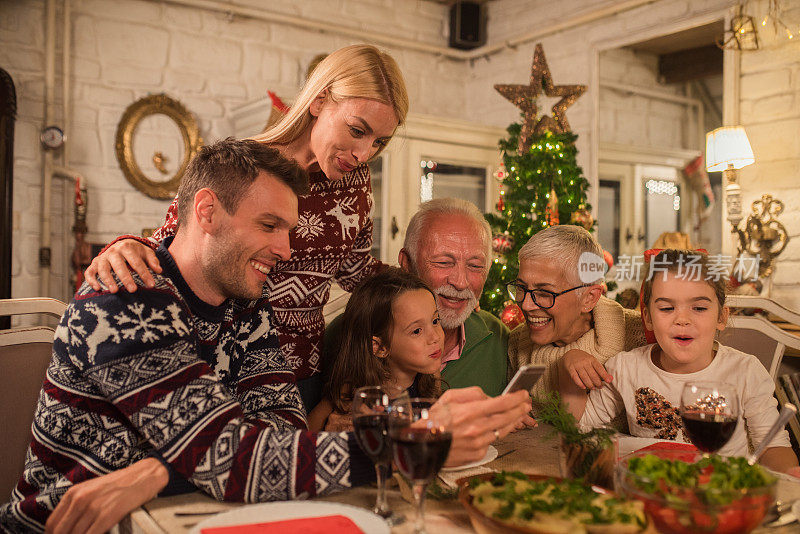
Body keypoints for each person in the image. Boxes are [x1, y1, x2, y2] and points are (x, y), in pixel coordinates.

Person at [1, 140, 532, 534]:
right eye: (269, 225)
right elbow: (234, 460)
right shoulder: (127, 300)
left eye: (290, 230)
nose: (285, 249)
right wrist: (410, 443)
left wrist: (161, 470)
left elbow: (281, 428)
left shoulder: (247, 304)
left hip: (186, 514)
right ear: (206, 211)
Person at [82, 44, 408, 411]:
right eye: (357, 130)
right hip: (226, 366)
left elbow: (355, 271)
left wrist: (422, 282)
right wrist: (125, 246)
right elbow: (179, 244)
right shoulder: (246, 163)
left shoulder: (357, 182)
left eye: (379, 141)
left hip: (302, 372)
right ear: (319, 101)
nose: (365, 153)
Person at [558, 249, 799, 473]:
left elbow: (773, 447)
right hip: (651, 487)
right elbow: (578, 430)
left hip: (719, 492)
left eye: (699, 308)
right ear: (648, 318)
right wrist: (569, 366)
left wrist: (790, 480)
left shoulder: (745, 371)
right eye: (666, 308)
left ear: (721, 317)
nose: (682, 319)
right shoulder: (624, 367)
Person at [507, 225, 647, 399]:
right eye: (521, 288)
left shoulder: (641, 339)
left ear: (589, 298)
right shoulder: (515, 345)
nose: (526, 305)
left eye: (544, 293)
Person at [309, 267, 443, 431]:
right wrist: (328, 434)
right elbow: (304, 437)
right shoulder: (350, 394)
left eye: (436, 321)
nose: (435, 337)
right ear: (379, 347)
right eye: (417, 331)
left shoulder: (429, 379)